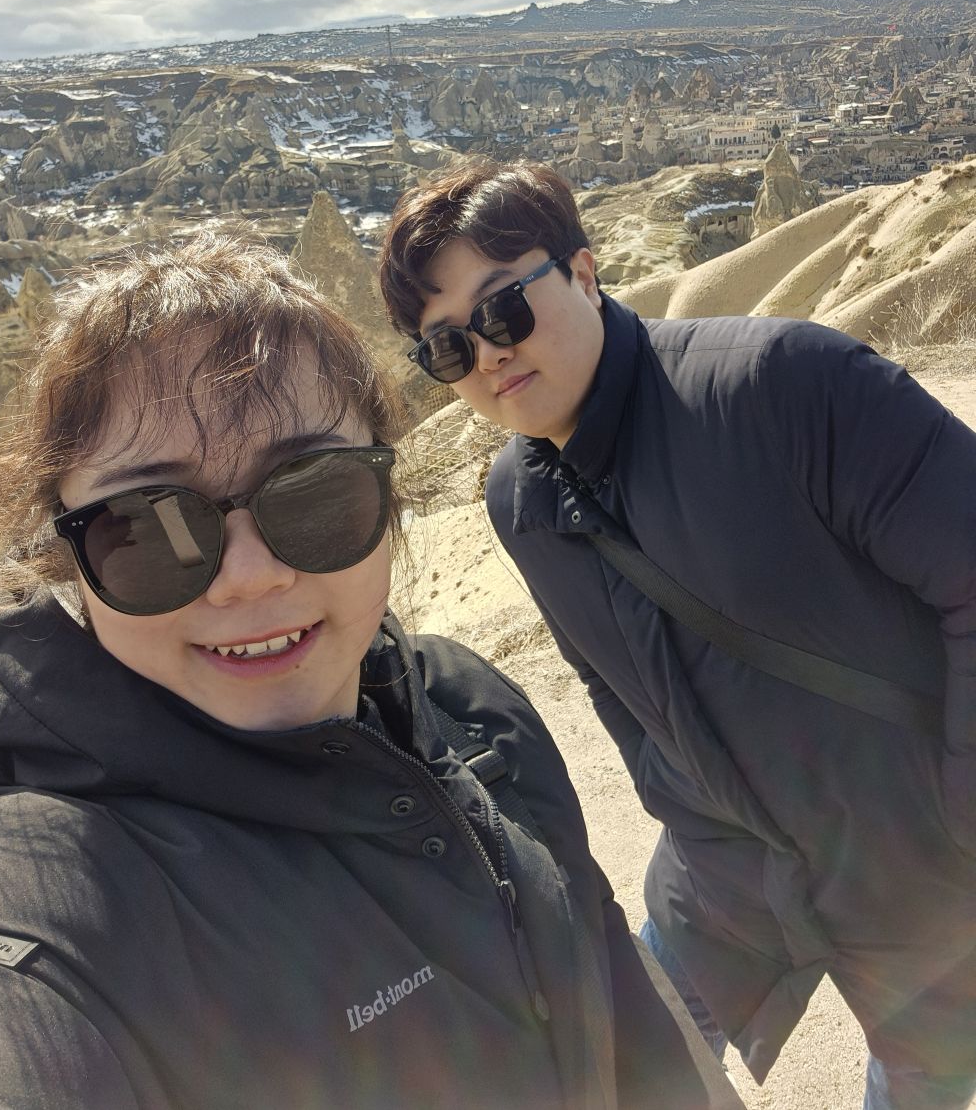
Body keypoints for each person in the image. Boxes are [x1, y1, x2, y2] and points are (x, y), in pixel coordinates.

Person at [0, 232, 739, 1110]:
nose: (250, 577)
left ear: (387, 491)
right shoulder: (54, 885)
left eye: (313, 492)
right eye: (146, 525)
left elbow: (626, 1006)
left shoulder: (472, 710)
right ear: (65, 558)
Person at [379, 159, 976, 1110]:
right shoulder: (519, 500)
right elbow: (611, 686)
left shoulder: (782, 385)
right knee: (626, 1069)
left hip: (916, 865)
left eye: (503, 309)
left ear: (583, 272)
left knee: (916, 1082)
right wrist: (680, 808)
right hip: (725, 877)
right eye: (447, 346)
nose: (487, 354)